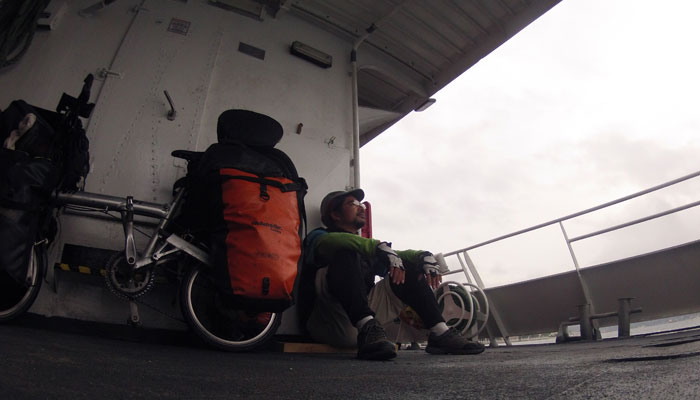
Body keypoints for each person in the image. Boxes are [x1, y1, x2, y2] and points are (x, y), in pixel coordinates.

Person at [298, 189, 485, 360]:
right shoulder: (319, 238)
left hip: (366, 329)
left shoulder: (367, 249)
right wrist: (378, 247)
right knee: (345, 252)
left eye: (361, 204)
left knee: (407, 267)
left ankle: (440, 333)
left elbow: (398, 256)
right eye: (352, 204)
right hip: (330, 323)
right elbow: (334, 242)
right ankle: (366, 326)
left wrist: (423, 256)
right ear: (335, 214)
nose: (361, 208)